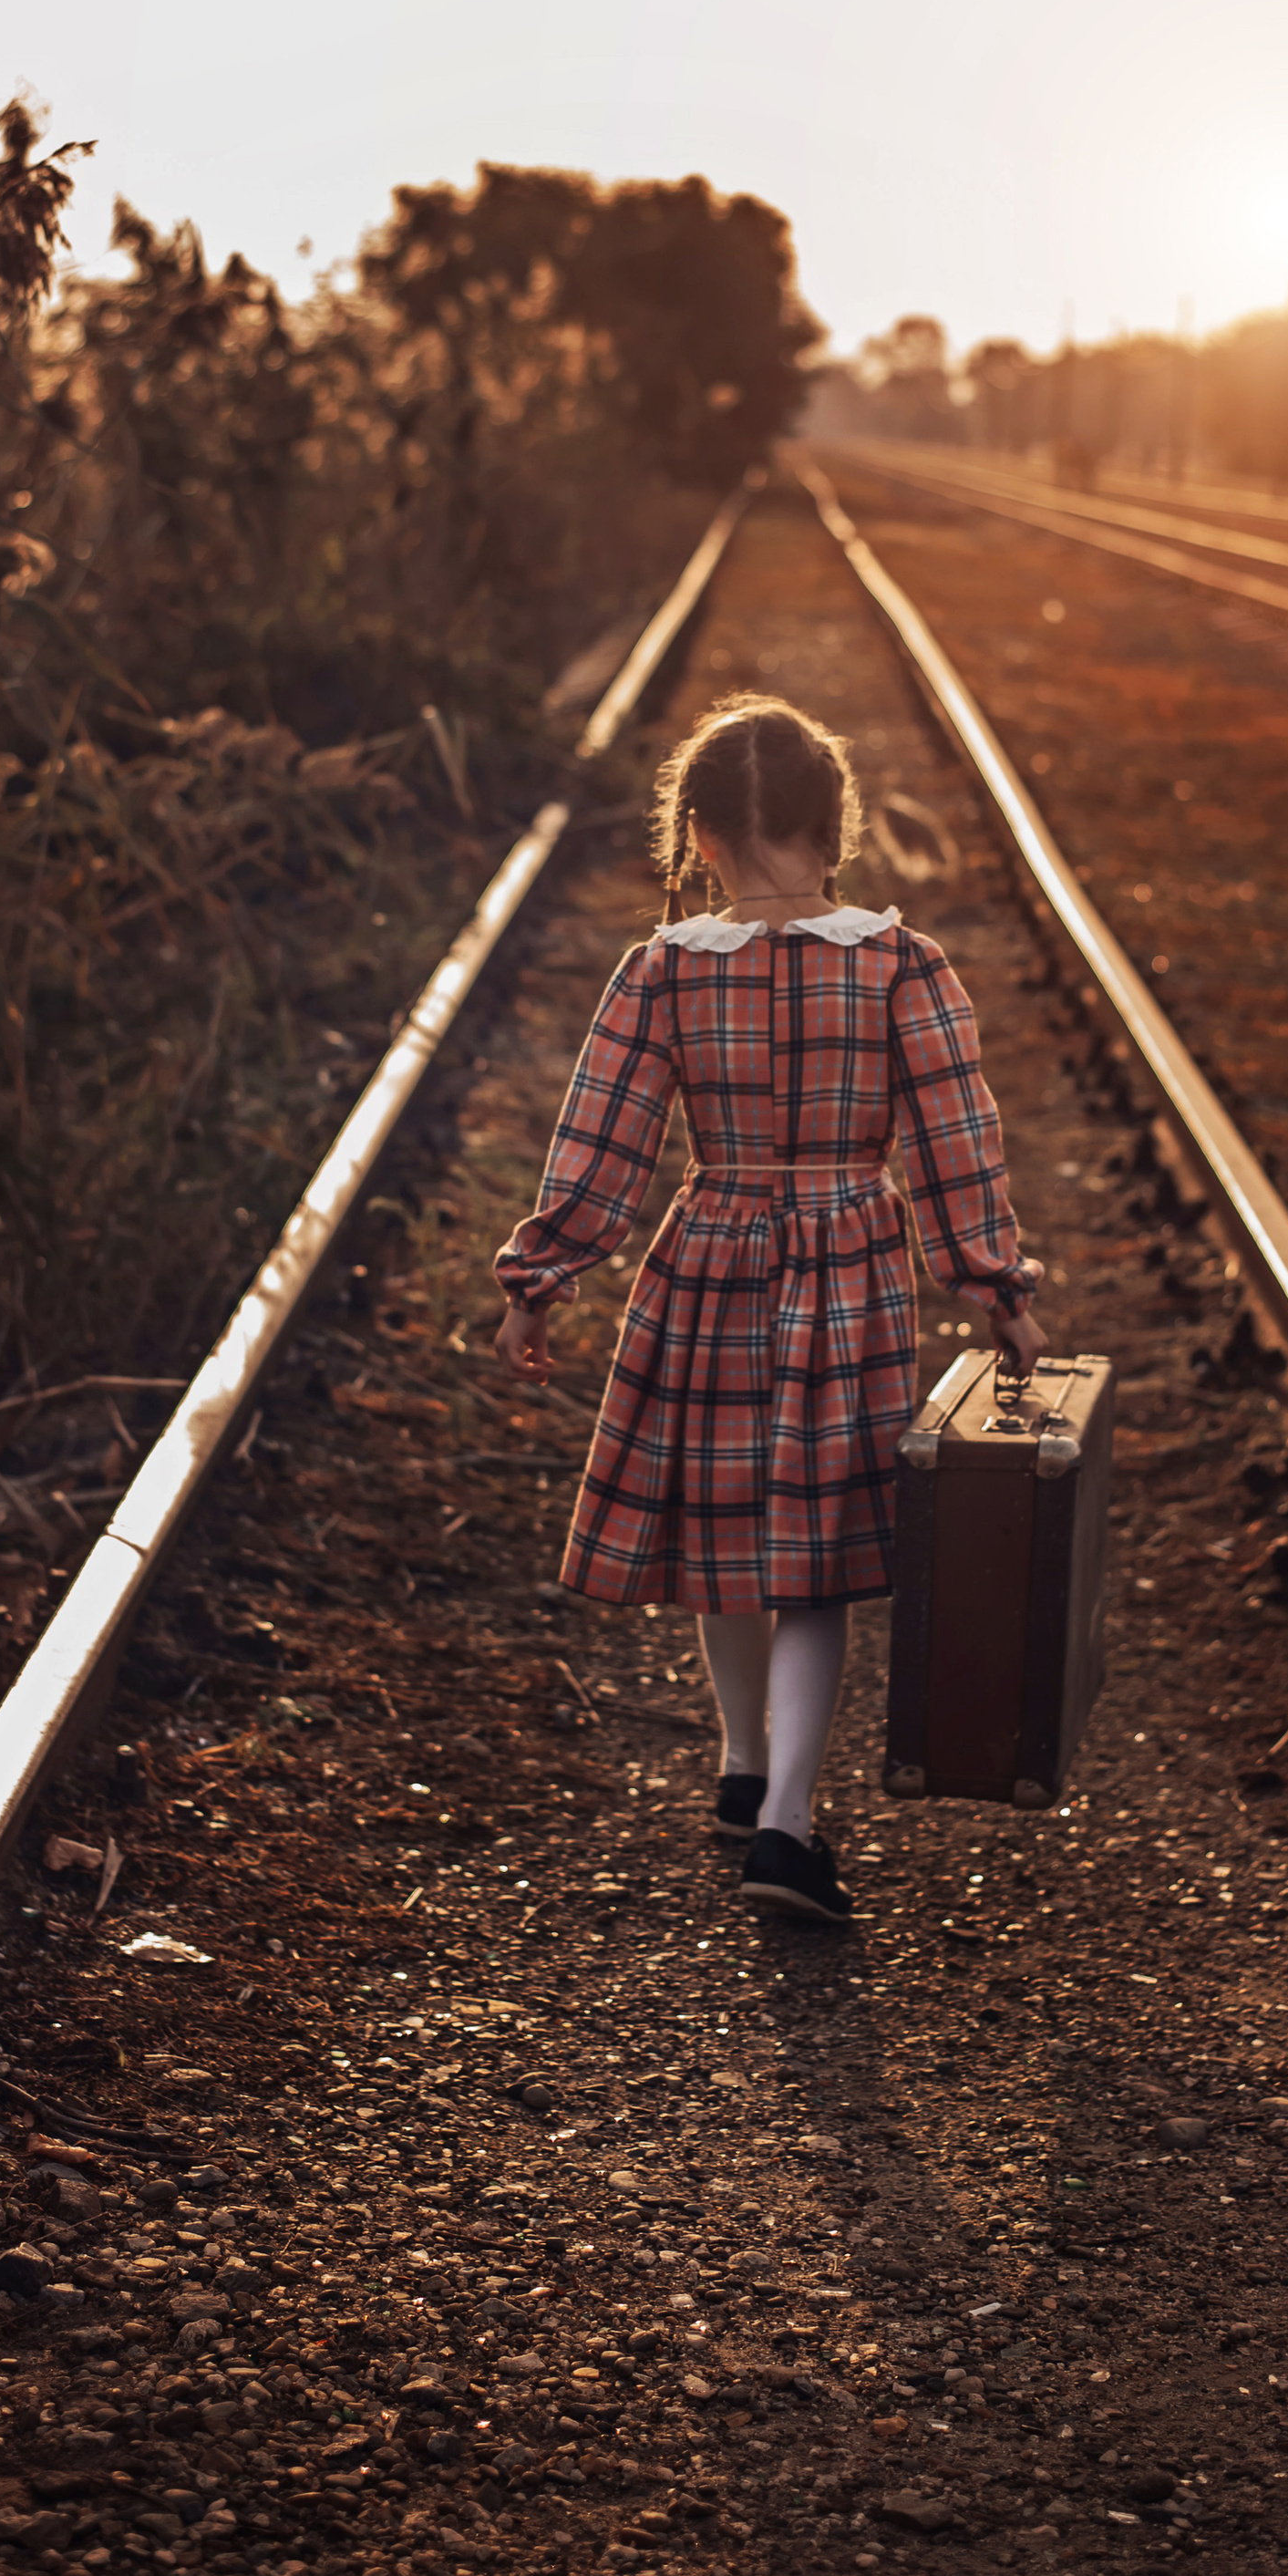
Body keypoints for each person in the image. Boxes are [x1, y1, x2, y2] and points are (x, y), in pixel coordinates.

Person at [492, 691, 1044, 1927]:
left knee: (726, 1521)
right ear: (833, 819)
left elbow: (602, 1147)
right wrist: (993, 1284)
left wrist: (542, 1279)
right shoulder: (902, 963)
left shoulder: (661, 971)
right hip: (847, 1261)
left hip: (711, 1251)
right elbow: (959, 1140)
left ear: (697, 837)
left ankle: (745, 1764)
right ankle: (784, 1819)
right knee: (818, 1557)